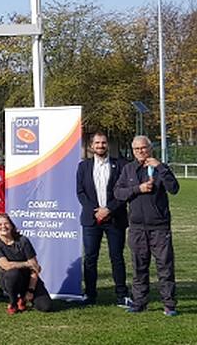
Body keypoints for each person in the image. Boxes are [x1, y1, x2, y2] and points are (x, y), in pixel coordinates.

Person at [114, 135, 180, 316]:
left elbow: (174, 188)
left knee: (165, 267)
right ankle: (139, 302)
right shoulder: (128, 169)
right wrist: (138, 189)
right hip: (136, 227)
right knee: (139, 266)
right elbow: (118, 193)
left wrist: (159, 167)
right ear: (133, 151)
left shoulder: (161, 168)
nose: (140, 151)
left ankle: (169, 304)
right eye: (136, 149)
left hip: (159, 227)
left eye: (143, 148)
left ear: (150, 148)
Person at [75, 131, 130, 306]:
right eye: (97, 143)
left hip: (115, 219)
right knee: (90, 258)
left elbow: (123, 193)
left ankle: (122, 295)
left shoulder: (120, 165)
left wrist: (108, 209)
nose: (100, 146)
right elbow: (80, 192)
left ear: (108, 145)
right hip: (91, 220)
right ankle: (90, 294)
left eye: (103, 143)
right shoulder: (83, 166)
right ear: (91, 146)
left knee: (117, 257)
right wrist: (95, 210)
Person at [0, 213, 53, 314]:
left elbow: (35, 267)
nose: (3, 227)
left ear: (11, 226)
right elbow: (6, 265)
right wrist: (26, 264)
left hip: (28, 279)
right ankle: (13, 302)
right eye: (0, 225)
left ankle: (23, 298)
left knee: (46, 306)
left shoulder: (23, 240)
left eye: (6, 223)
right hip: (8, 278)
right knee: (13, 273)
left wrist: (31, 290)